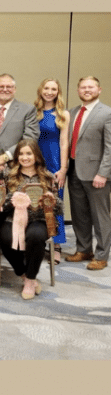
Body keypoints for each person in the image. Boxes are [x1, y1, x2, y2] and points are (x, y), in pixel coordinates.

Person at [0, 139, 62, 299]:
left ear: (36, 156)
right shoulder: (8, 175)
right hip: (12, 219)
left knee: (35, 236)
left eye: (29, 153)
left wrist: (51, 201)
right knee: (5, 238)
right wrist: (13, 198)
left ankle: (31, 280)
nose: (25, 157)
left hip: (39, 219)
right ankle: (24, 275)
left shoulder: (47, 177)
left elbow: (60, 207)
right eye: (21, 154)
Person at [65, 76, 111, 271]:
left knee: (100, 216)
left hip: (96, 174)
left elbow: (110, 147)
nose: (87, 90)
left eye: (90, 87)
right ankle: (84, 249)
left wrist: (104, 173)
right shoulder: (72, 112)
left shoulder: (107, 113)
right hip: (74, 169)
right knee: (79, 213)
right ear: (78, 90)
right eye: (83, 87)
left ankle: (101, 255)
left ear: (99, 90)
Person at [34, 78, 70, 264]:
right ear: (41, 90)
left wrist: (63, 169)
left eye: (53, 89)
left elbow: (64, 142)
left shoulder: (63, 113)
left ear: (58, 92)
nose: (49, 92)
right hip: (34, 161)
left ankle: (56, 245)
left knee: (55, 204)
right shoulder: (34, 112)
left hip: (54, 161)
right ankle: (36, 242)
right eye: (46, 88)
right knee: (35, 202)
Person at [0, 73, 39, 171]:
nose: (5, 89)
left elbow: (30, 138)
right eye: (1, 86)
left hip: (17, 167)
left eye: (9, 86)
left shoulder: (28, 110)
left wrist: (4, 157)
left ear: (15, 89)